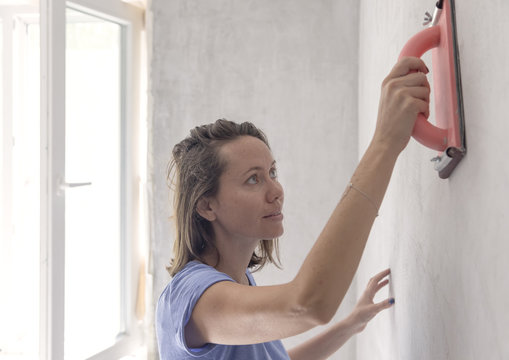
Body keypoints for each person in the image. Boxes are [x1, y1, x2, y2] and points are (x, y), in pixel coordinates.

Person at [156, 57, 430, 359]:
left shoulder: (239, 283)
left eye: (272, 173)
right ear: (206, 205)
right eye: (252, 179)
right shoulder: (191, 297)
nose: (276, 191)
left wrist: (352, 324)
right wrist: (385, 142)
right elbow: (307, 305)